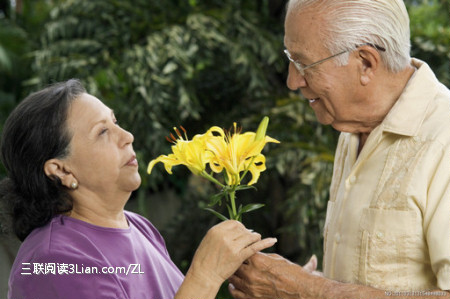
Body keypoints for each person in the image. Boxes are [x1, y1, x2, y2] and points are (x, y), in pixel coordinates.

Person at [228, 0, 450, 298]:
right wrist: (296, 286)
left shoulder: (443, 140)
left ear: (366, 63)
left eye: (304, 63)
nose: (293, 80)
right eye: (290, 59)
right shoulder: (353, 126)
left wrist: (308, 290)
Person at [0, 79, 277, 299]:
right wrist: (205, 276)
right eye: (102, 132)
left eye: (115, 122)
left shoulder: (138, 227)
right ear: (61, 170)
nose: (127, 137)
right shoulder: (52, 262)